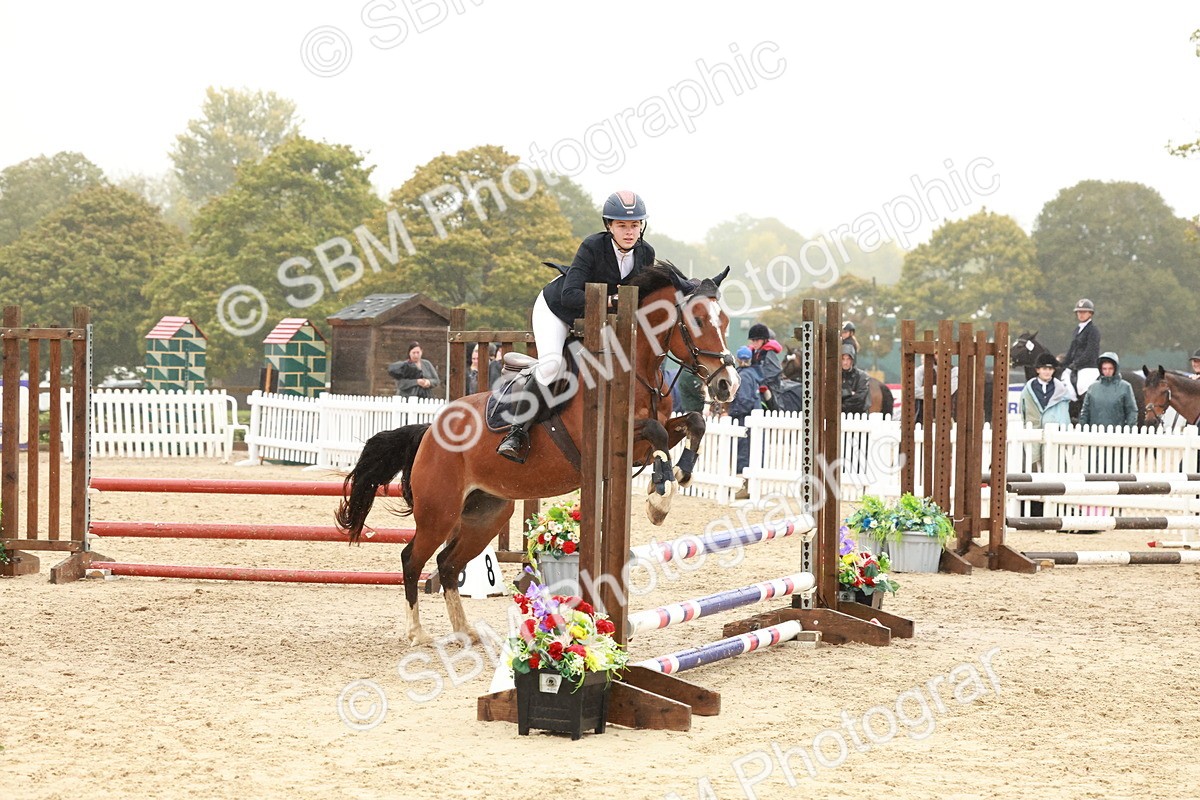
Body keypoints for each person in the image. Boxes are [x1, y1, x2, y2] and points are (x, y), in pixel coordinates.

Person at [496, 190, 655, 463]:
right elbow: (570, 295)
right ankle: (516, 432)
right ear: (609, 226)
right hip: (556, 309)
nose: (630, 232)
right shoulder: (593, 247)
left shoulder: (646, 253)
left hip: (595, 320)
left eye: (635, 225)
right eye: (622, 225)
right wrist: (613, 298)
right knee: (551, 365)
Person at [1019, 352, 1072, 473]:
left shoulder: (1061, 390)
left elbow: (1064, 414)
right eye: (1044, 369)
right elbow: (1023, 410)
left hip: (1054, 433)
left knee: (1055, 465)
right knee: (1031, 466)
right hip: (1033, 431)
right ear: (1038, 370)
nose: (1047, 372)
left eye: (1050, 369)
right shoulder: (1029, 389)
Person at [729, 346, 763, 499]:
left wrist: (732, 413)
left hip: (744, 418)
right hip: (751, 417)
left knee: (743, 452)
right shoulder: (753, 374)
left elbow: (744, 401)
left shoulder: (743, 376)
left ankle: (745, 487)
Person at [1079, 352, 1137, 428]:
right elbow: (1085, 411)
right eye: (1104, 369)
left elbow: (1131, 411)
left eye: (1110, 368)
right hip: (1094, 433)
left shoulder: (1125, 387)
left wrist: (1130, 429)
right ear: (1101, 369)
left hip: (1117, 434)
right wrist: (1082, 427)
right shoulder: (1092, 387)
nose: (1107, 371)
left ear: (1115, 368)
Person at [1062, 298, 1100, 395]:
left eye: (1084, 312)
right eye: (1079, 312)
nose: (1081, 314)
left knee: (1081, 386)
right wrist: (1064, 363)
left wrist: (1076, 364)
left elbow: (1090, 351)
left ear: (1090, 314)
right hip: (1077, 367)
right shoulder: (1077, 330)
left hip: (1088, 367)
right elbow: (1072, 349)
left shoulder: (1093, 330)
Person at [747, 323, 783, 411]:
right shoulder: (753, 352)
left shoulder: (769, 352)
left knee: (767, 393)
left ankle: (776, 412)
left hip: (769, 384)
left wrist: (760, 382)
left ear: (764, 340)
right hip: (755, 382)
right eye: (752, 340)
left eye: (757, 340)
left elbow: (774, 371)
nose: (754, 343)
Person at [912, 354, 958, 421]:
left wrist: (924, 390)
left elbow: (946, 392)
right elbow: (913, 392)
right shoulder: (921, 370)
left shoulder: (954, 371)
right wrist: (937, 390)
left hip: (947, 417)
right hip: (922, 417)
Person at [840, 345, 870, 414]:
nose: (845, 362)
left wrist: (842, 405)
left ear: (853, 360)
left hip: (858, 416)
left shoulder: (862, 376)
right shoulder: (834, 376)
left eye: (848, 359)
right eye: (843, 359)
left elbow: (860, 398)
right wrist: (850, 393)